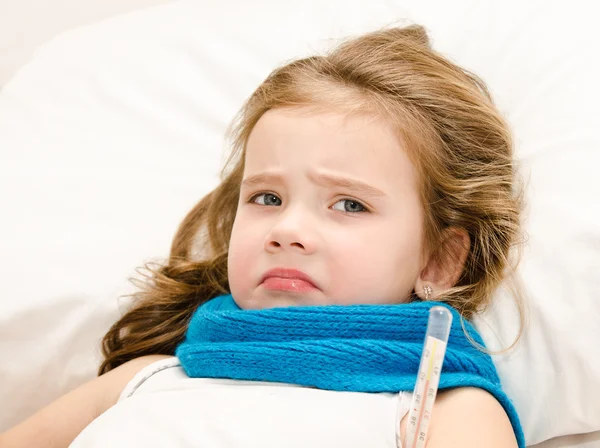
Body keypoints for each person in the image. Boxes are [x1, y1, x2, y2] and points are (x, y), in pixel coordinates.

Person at [0, 24, 526, 447]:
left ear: (438, 261)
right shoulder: (150, 378)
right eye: (267, 198)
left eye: (349, 204)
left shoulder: (443, 410)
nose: (287, 230)